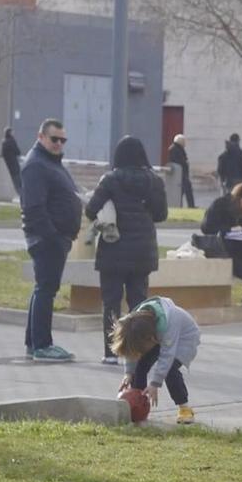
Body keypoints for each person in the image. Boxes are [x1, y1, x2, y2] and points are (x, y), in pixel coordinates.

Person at [85, 135, 168, 365]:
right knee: (139, 304)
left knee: (111, 302)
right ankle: (137, 352)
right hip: (142, 251)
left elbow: (91, 211)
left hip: (113, 250)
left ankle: (111, 352)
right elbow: (161, 215)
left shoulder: (110, 180)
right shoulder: (154, 181)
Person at [19, 116, 83, 361]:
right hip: (47, 239)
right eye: (54, 139)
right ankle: (42, 345)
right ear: (41, 137)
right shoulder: (37, 165)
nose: (59, 144)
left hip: (56, 238)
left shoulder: (51, 163)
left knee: (43, 289)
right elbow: (34, 206)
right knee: (46, 289)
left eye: (62, 140)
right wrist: (53, 236)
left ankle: (32, 342)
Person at [111, 294, 201, 425]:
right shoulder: (136, 322)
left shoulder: (172, 320)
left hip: (184, 339)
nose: (140, 352)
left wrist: (155, 383)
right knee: (140, 366)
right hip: (160, 336)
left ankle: (185, 408)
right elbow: (132, 350)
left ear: (151, 339)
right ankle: (138, 406)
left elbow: (167, 356)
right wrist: (129, 373)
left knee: (170, 370)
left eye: (142, 349)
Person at [167, 132, 195, 207]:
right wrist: (185, 163)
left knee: (181, 191)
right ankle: (190, 205)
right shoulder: (176, 149)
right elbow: (180, 161)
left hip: (180, 174)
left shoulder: (175, 148)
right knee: (186, 190)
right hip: (181, 174)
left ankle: (182, 205)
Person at [0, 127, 23, 193]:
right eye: (12, 132)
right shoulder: (12, 141)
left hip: (7, 166)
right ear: (10, 133)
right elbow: (18, 152)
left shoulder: (4, 142)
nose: (14, 133)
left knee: (13, 181)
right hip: (14, 165)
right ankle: (21, 195)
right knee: (18, 182)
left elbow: (2, 153)